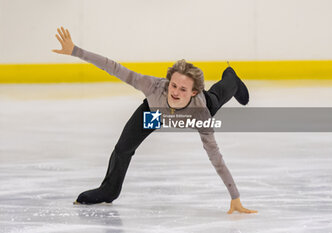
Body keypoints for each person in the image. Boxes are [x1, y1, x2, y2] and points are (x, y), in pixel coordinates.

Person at [53, 26, 257, 214]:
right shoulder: (152, 87)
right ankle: (109, 190)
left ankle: (232, 78)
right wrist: (75, 51)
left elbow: (215, 158)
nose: (175, 92)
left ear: (194, 92)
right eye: (173, 85)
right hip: (156, 115)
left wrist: (235, 197)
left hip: (193, 113)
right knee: (123, 148)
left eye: (183, 89)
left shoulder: (201, 111)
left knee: (222, 91)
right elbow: (114, 68)